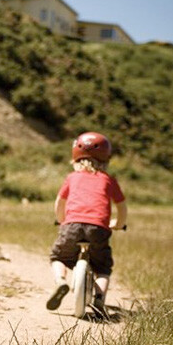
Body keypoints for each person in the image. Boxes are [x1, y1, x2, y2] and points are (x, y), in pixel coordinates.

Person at [47, 132, 127, 316]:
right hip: (99, 228)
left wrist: (61, 220)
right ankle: (99, 299)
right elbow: (121, 207)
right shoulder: (109, 180)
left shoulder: (72, 178)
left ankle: (61, 282)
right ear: (106, 159)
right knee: (102, 267)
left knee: (57, 257)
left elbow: (60, 202)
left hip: (71, 226)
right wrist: (118, 223)